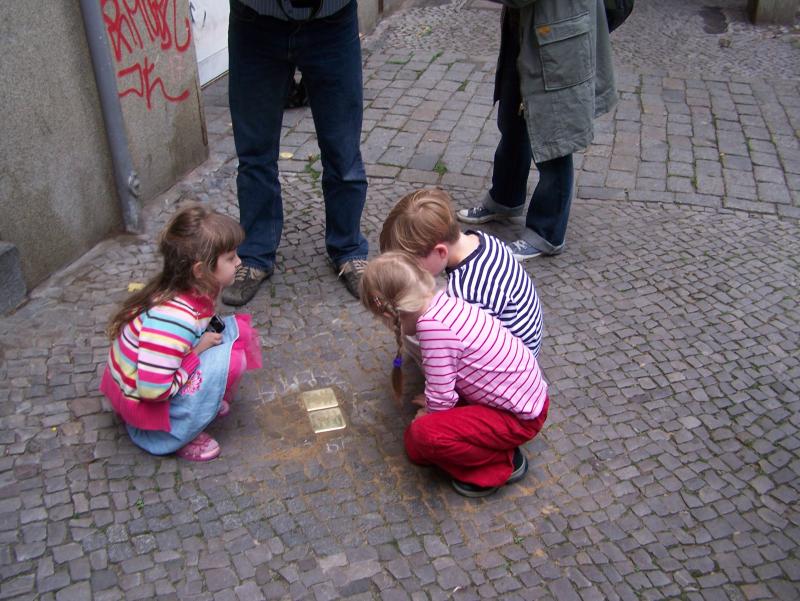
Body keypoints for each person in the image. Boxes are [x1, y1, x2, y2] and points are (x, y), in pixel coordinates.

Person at [360, 252, 550, 497]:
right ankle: (493, 446)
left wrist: (428, 413)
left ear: (388, 314)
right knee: (422, 436)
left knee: (419, 439)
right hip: (528, 399)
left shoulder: (432, 328)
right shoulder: (445, 302)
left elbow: (441, 399)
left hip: (520, 418)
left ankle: (501, 462)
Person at [223, 0, 369, 306]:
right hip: (255, 21)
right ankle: (256, 254)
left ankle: (348, 249)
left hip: (332, 20)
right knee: (254, 154)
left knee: (343, 152)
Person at [100, 205, 262, 461]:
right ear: (200, 271)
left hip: (158, 377)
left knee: (229, 334)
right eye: (230, 258)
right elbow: (154, 391)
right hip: (147, 402)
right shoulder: (174, 319)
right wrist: (197, 352)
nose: (239, 262)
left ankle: (198, 406)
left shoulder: (191, 291)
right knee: (228, 359)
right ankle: (177, 434)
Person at [458, 0, 617, 260]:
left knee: (555, 136)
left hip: (557, 35)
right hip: (530, 25)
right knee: (513, 118)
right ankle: (505, 199)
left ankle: (546, 232)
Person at [380, 188, 544, 359]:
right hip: (527, 339)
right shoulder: (481, 239)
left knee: (416, 335)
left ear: (441, 252)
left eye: (413, 266)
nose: (411, 274)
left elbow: (469, 343)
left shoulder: (467, 290)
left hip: (512, 365)